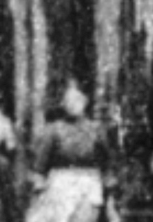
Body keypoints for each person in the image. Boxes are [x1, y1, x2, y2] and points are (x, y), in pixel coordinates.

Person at [26, 81, 113, 222]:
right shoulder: (54, 130)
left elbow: (106, 161)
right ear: (63, 104)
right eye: (68, 100)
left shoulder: (96, 130)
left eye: (77, 100)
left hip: (89, 184)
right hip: (61, 186)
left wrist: (109, 192)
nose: (72, 104)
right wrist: (39, 188)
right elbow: (40, 164)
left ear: (85, 101)